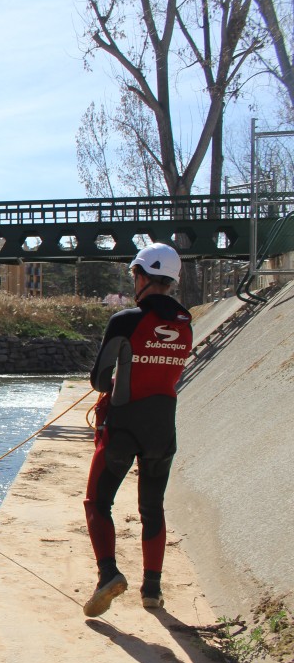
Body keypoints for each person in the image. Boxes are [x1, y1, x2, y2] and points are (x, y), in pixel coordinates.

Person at [82, 243, 193, 617]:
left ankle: (108, 574)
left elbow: (99, 380)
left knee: (98, 502)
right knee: (152, 509)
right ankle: (152, 590)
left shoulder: (125, 320)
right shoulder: (185, 324)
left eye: (135, 276)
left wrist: (113, 379)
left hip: (123, 425)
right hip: (163, 427)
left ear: (142, 276)